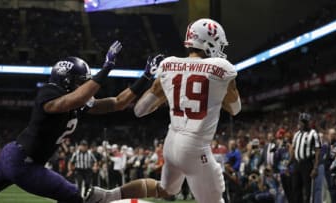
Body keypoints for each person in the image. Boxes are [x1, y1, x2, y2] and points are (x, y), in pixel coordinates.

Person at [86, 18, 241, 203]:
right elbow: (235, 108)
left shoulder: (168, 65)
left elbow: (140, 110)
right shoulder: (221, 69)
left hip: (171, 142)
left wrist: (168, 92)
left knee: (165, 189)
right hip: (195, 146)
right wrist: (217, 93)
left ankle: (107, 196)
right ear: (208, 42)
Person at [0, 40, 160, 203]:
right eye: (81, 81)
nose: (85, 85)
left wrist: (145, 76)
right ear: (66, 80)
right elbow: (72, 100)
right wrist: (106, 68)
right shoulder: (49, 93)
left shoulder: (79, 101)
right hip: (22, 161)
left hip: (21, 159)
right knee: (72, 195)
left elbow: (118, 103)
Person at [290, 112, 321, 203]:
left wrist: (315, 168)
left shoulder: (313, 133)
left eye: (304, 122)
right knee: (295, 188)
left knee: (308, 189)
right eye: (301, 121)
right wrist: (289, 163)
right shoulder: (297, 134)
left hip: (307, 163)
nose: (302, 123)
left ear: (308, 122)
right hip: (297, 163)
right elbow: (293, 149)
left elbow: (317, 151)